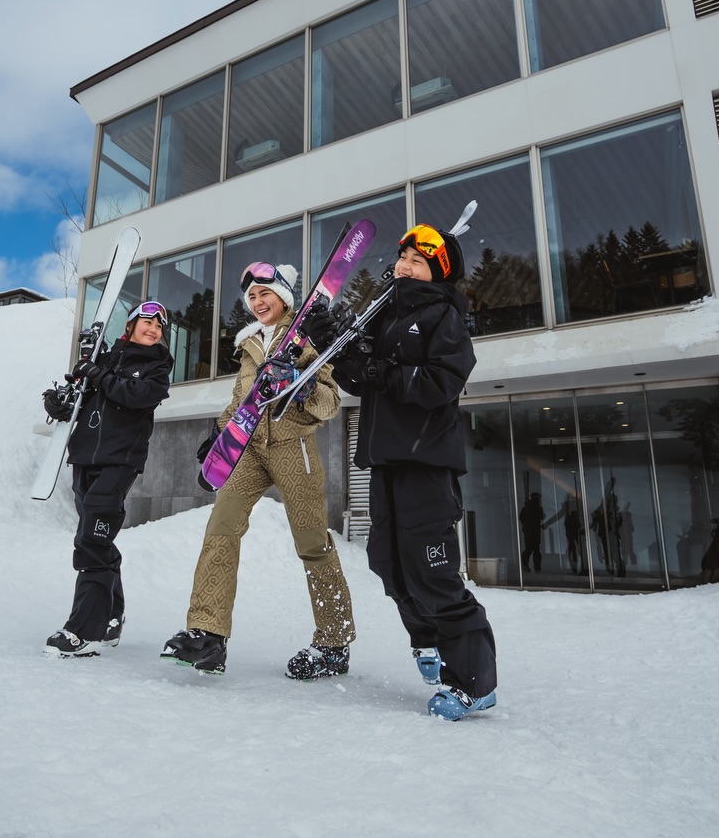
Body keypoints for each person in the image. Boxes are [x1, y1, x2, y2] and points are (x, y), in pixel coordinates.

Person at [301, 223, 498, 720]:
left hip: (426, 463)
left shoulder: (444, 316)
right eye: (403, 257)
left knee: (433, 572)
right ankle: (427, 639)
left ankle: (474, 682)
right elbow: (358, 375)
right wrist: (335, 343)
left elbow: (442, 381)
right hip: (386, 462)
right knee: (387, 563)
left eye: (418, 261)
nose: (405, 266)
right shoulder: (385, 314)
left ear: (438, 272)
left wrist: (379, 370)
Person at [160, 262, 356, 679]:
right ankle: (208, 635)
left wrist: (301, 387)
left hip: (293, 445)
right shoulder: (249, 345)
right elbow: (240, 401)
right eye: (251, 297)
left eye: (265, 293)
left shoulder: (306, 336)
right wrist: (218, 436)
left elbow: (330, 404)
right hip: (248, 449)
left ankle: (334, 641)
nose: (257, 301)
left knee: (312, 542)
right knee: (221, 530)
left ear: (283, 296)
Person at [42, 301, 172, 658]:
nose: (153, 329)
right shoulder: (102, 362)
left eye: (159, 327)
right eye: (147, 322)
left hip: (119, 463)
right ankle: (111, 617)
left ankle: (85, 631)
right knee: (95, 537)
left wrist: (95, 374)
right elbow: (80, 403)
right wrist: (58, 403)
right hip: (84, 459)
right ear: (130, 327)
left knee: (92, 542)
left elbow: (134, 397)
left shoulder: (157, 370)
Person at [518, 492, 544, 573]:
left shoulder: (526, 507)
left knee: (530, 549)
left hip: (528, 531)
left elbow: (521, 517)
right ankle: (536, 567)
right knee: (534, 550)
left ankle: (525, 563)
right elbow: (541, 517)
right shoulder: (537, 508)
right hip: (534, 531)